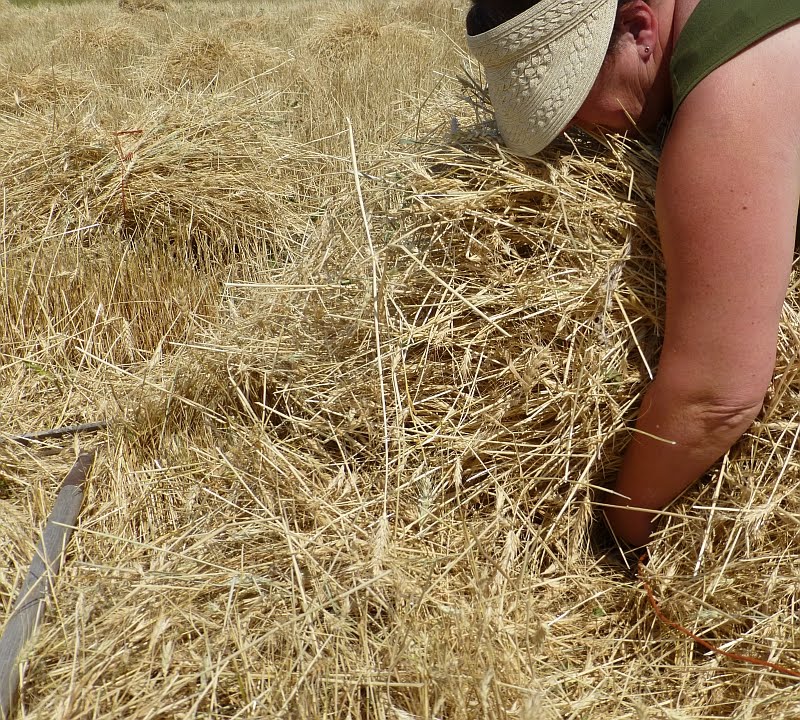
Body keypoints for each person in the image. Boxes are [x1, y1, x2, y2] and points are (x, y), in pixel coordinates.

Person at [466, 0, 800, 547]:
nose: (574, 134)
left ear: (640, 28)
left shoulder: (731, 102)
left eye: (571, 103)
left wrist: (618, 528)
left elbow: (715, 398)